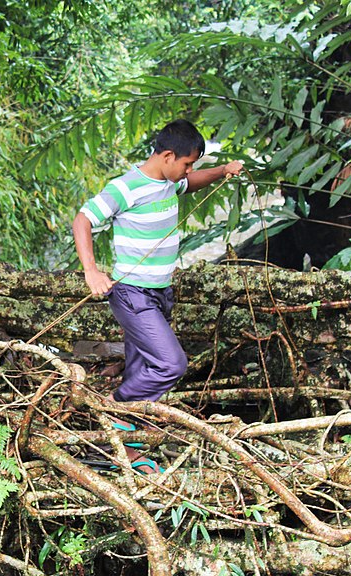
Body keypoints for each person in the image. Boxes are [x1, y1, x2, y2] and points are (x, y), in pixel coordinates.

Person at [71, 120, 243, 472]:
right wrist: (91, 270)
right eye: (187, 163)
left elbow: (190, 183)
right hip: (132, 295)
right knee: (170, 364)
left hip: (160, 294)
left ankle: (124, 454)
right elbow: (83, 219)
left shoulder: (168, 182)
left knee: (144, 368)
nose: (189, 170)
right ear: (167, 156)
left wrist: (223, 170)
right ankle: (113, 407)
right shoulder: (125, 188)